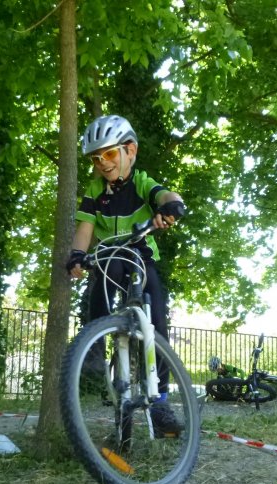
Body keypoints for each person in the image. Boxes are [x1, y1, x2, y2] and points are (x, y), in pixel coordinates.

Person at [67, 115, 186, 436]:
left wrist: (172, 206)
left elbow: (165, 195)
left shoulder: (141, 182)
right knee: (105, 273)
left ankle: (160, 399)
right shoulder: (94, 190)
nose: (102, 162)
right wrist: (76, 255)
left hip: (141, 255)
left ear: (129, 150)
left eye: (108, 154)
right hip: (109, 256)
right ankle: (93, 346)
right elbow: (85, 229)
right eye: (96, 157)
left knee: (157, 321)